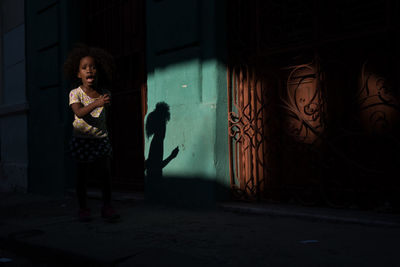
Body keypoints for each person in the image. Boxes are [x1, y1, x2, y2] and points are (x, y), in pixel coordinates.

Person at [64, 44, 119, 222]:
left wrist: (103, 102)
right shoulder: (75, 93)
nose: (89, 70)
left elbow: (105, 117)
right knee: (83, 176)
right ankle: (83, 208)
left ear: (99, 71)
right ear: (78, 73)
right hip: (82, 140)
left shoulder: (105, 93)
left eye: (93, 67)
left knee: (106, 175)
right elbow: (79, 113)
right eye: (84, 67)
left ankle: (107, 206)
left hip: (101, 140)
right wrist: (97, 103)